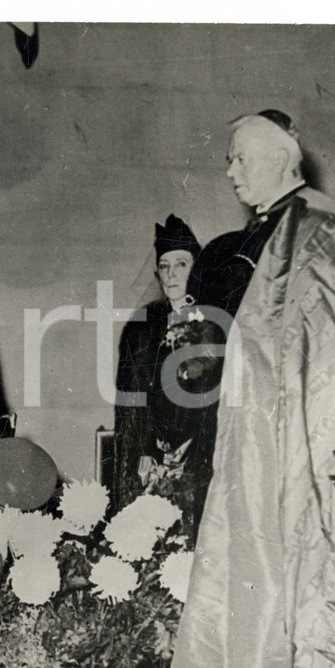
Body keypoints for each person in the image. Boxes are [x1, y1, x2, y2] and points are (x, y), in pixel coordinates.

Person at [166, 111, 335, 668]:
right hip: (258, 448)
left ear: (279, 159)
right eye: (228, 159)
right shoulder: (268, 232)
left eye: (239, 157)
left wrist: (305, 455)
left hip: (301, 452)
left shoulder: (320, 231)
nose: (230, 172)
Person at [114, 215, 219, 538]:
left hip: (200, 451)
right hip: (152, 453)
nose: (172, 274)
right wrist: (146, 448)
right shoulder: (142, 327)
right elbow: (130, 399)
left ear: (195, 268)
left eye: (181, 264)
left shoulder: (215, 324)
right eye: (164, 266)